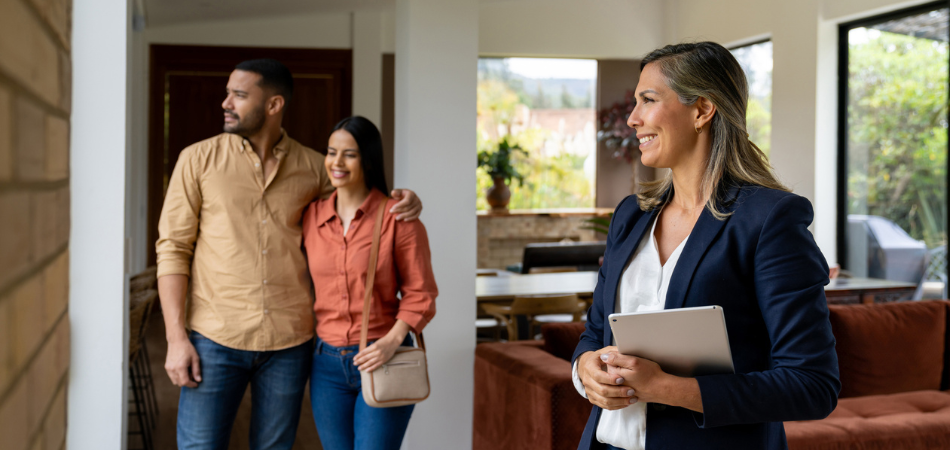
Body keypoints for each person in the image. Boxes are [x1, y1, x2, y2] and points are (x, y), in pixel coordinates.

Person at [571, 42, 840, 450]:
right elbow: (594, 333)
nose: (632, 118)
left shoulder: (769, 220)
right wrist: (585, 370)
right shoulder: (631, 215)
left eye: (648, 99)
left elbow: (812, 384)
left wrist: (667, 388)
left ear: (701, 110)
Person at [156, 59, 423, 450]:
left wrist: (403, 198)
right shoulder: (197, 160)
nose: (226, 102)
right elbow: (173, 249)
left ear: (274, 105)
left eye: (239, 95)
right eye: (228, 92)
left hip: (289, 343)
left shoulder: (314, 168)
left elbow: (358, 210)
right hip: (215, 337)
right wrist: (176, 338)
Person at [302, 116, 437, 450]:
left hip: (384, 358)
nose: (337, 162)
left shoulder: (398, 218)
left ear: (368, 158)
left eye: (349, 154)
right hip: (326, 364)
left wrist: (391, 342)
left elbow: (421, 294)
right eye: (332, 152)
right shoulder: (310, 217)